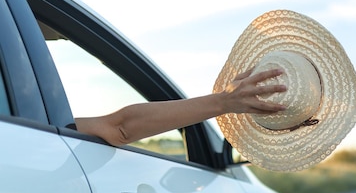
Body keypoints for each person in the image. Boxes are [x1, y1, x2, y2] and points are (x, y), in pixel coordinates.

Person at [74, 68, 286, 147]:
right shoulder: (42, 125)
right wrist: (223, 102)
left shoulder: (42, 123)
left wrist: (224, 101)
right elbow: (121, 129)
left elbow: (120, 128)